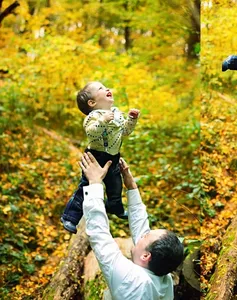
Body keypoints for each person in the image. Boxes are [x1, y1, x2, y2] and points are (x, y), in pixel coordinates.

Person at [80, 152, 184, 299]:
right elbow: (141, 227)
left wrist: (95, 183)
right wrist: (131, 186)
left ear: (146, 256)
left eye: (146, 236)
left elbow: (100, 236)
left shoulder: (131, 279)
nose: (143, 234)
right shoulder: (163, 278)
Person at [61, 81, 140, 234]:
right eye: (101, 88)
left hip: (113, 157)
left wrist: (131, 119)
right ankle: (70, 217)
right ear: (92, 102)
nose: (107, 89)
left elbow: (124, 131)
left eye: (106, 87)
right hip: (95, 157)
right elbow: (91, 132)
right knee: (86, 188)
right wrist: (103, 121)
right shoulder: (93, 116)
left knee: (115, 185)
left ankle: (115, 207)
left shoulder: (116, 112)